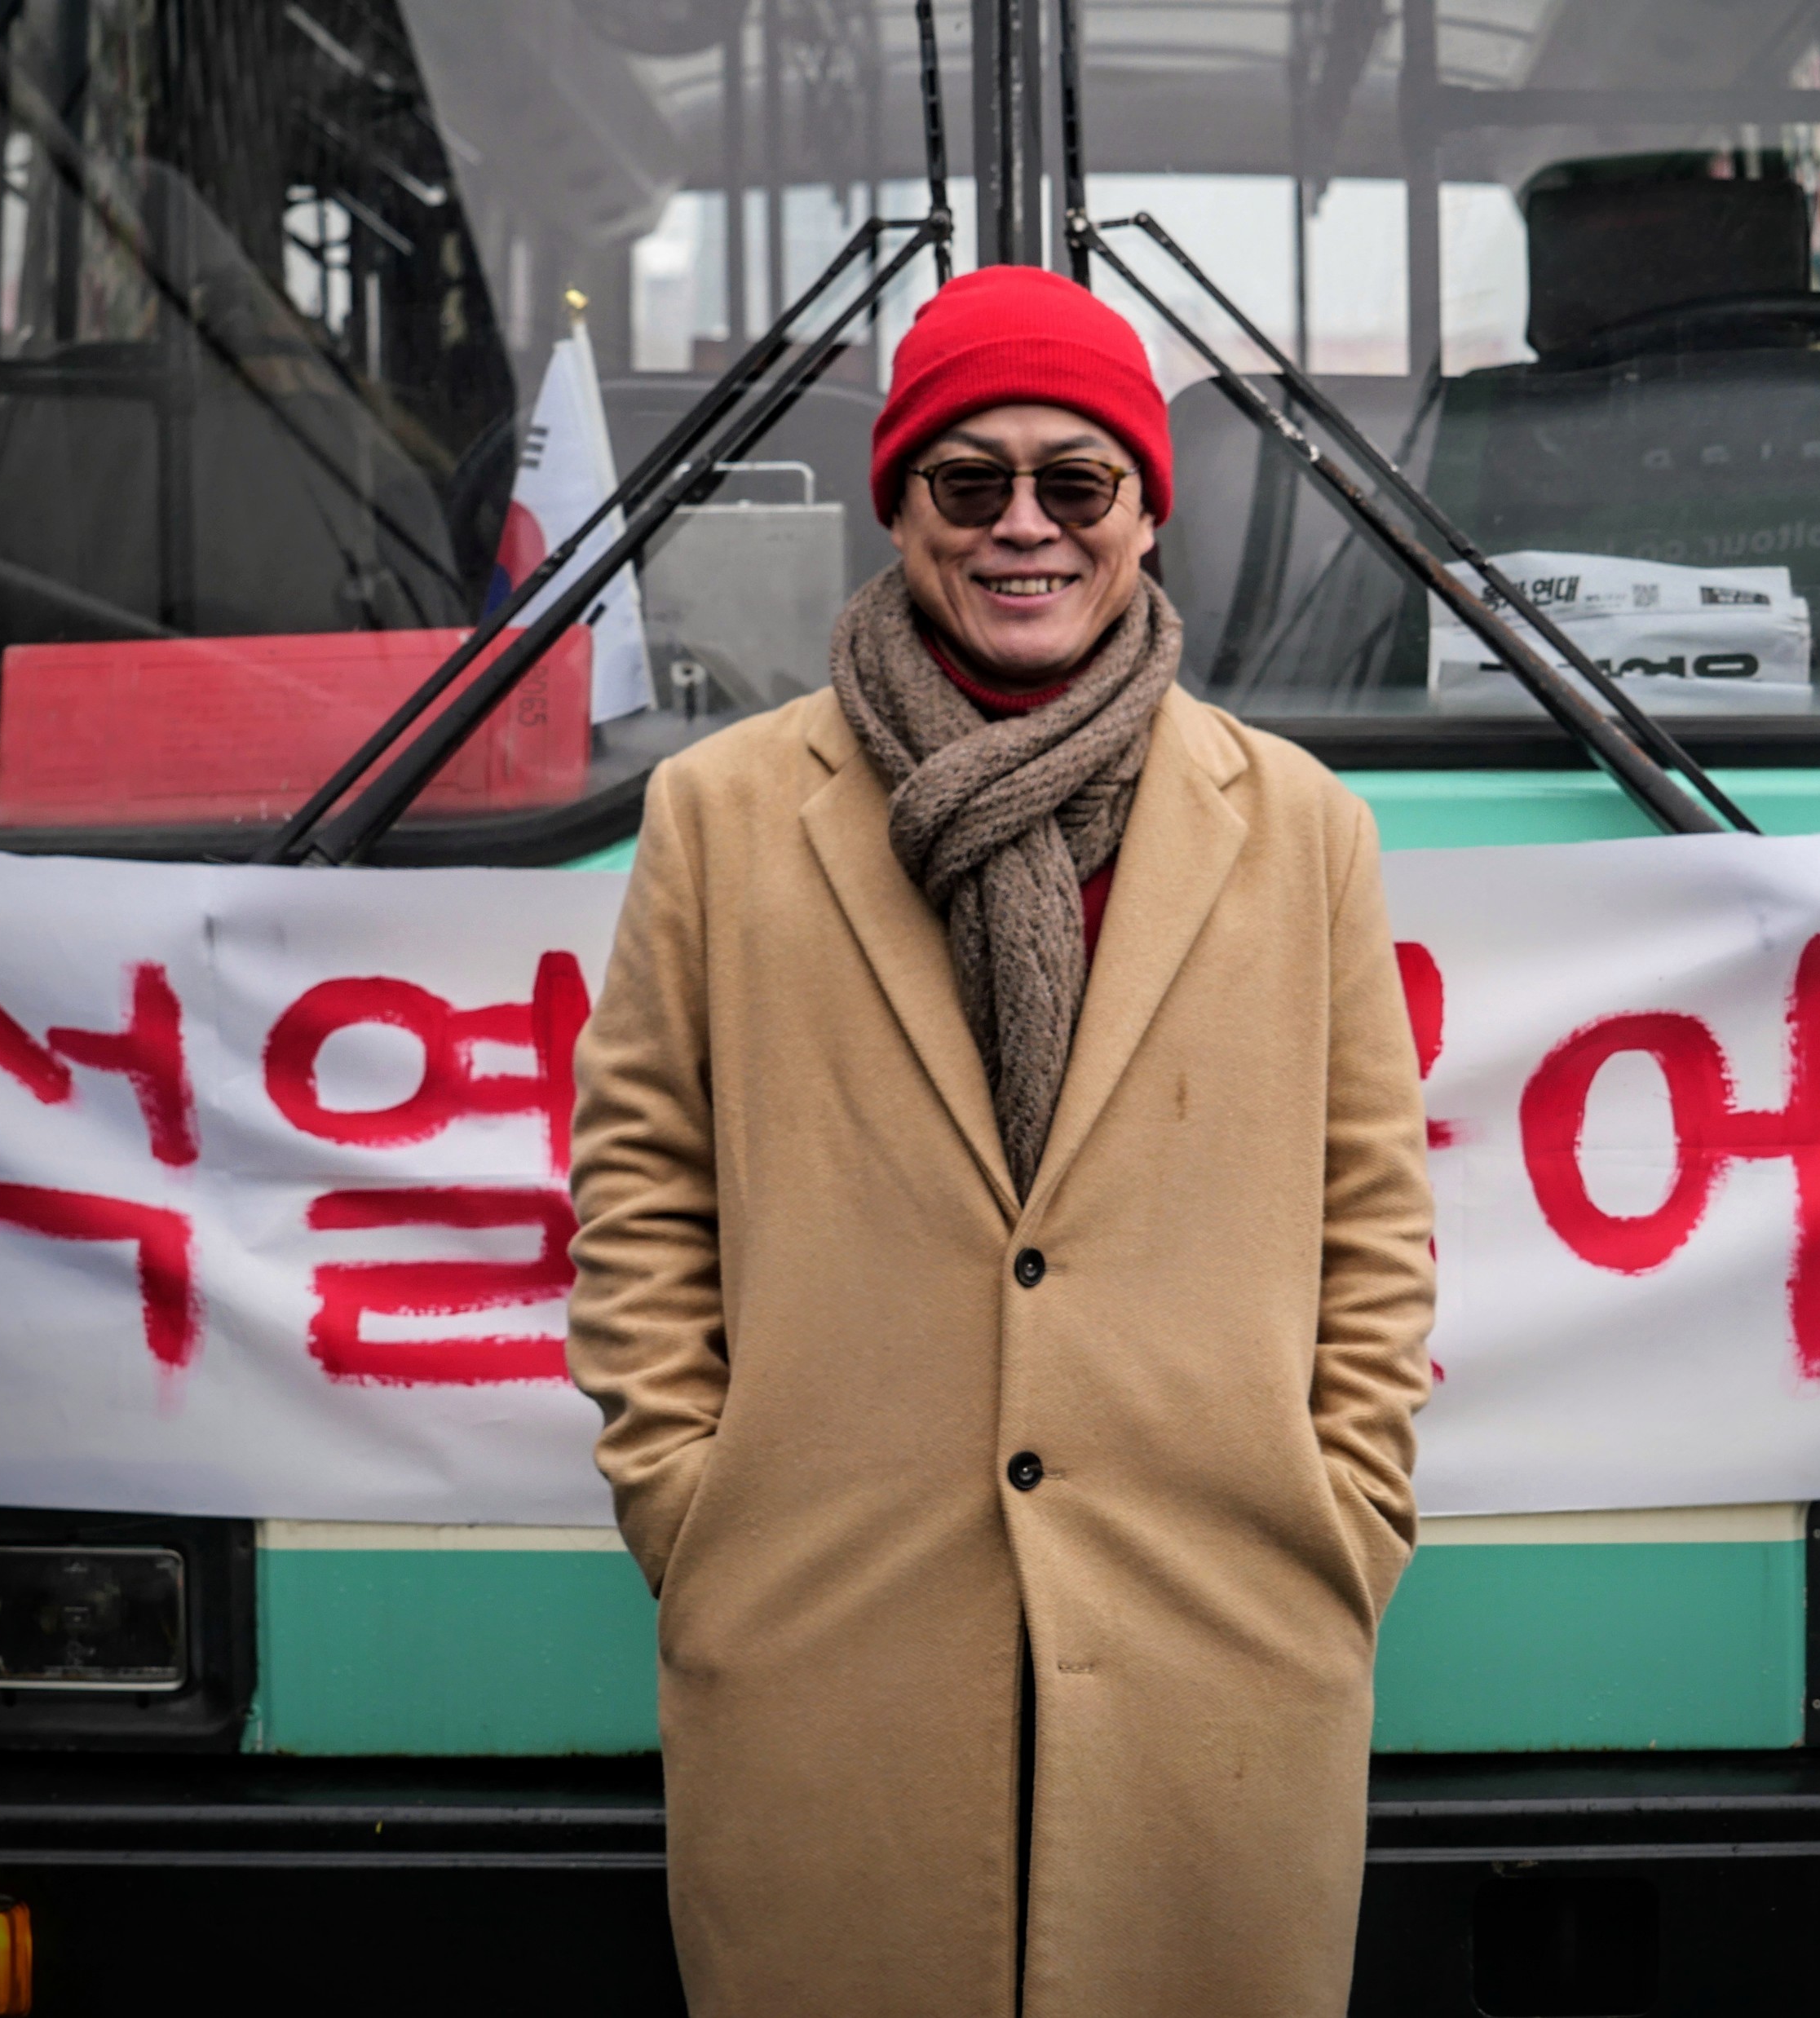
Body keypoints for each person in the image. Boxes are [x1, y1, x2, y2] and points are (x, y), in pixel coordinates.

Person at [565, 263, 1437, 2017]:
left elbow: (1374, 1219)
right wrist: (694, 1507)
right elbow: (640, 1188)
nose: (1022, 525)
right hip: (825, 1638)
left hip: (1220, 1640)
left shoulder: (1301, 827)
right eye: (968, 481)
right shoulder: (718, 816)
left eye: (1075, 480)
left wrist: (1343, 1518)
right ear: (898, 506)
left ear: (1144, 514)